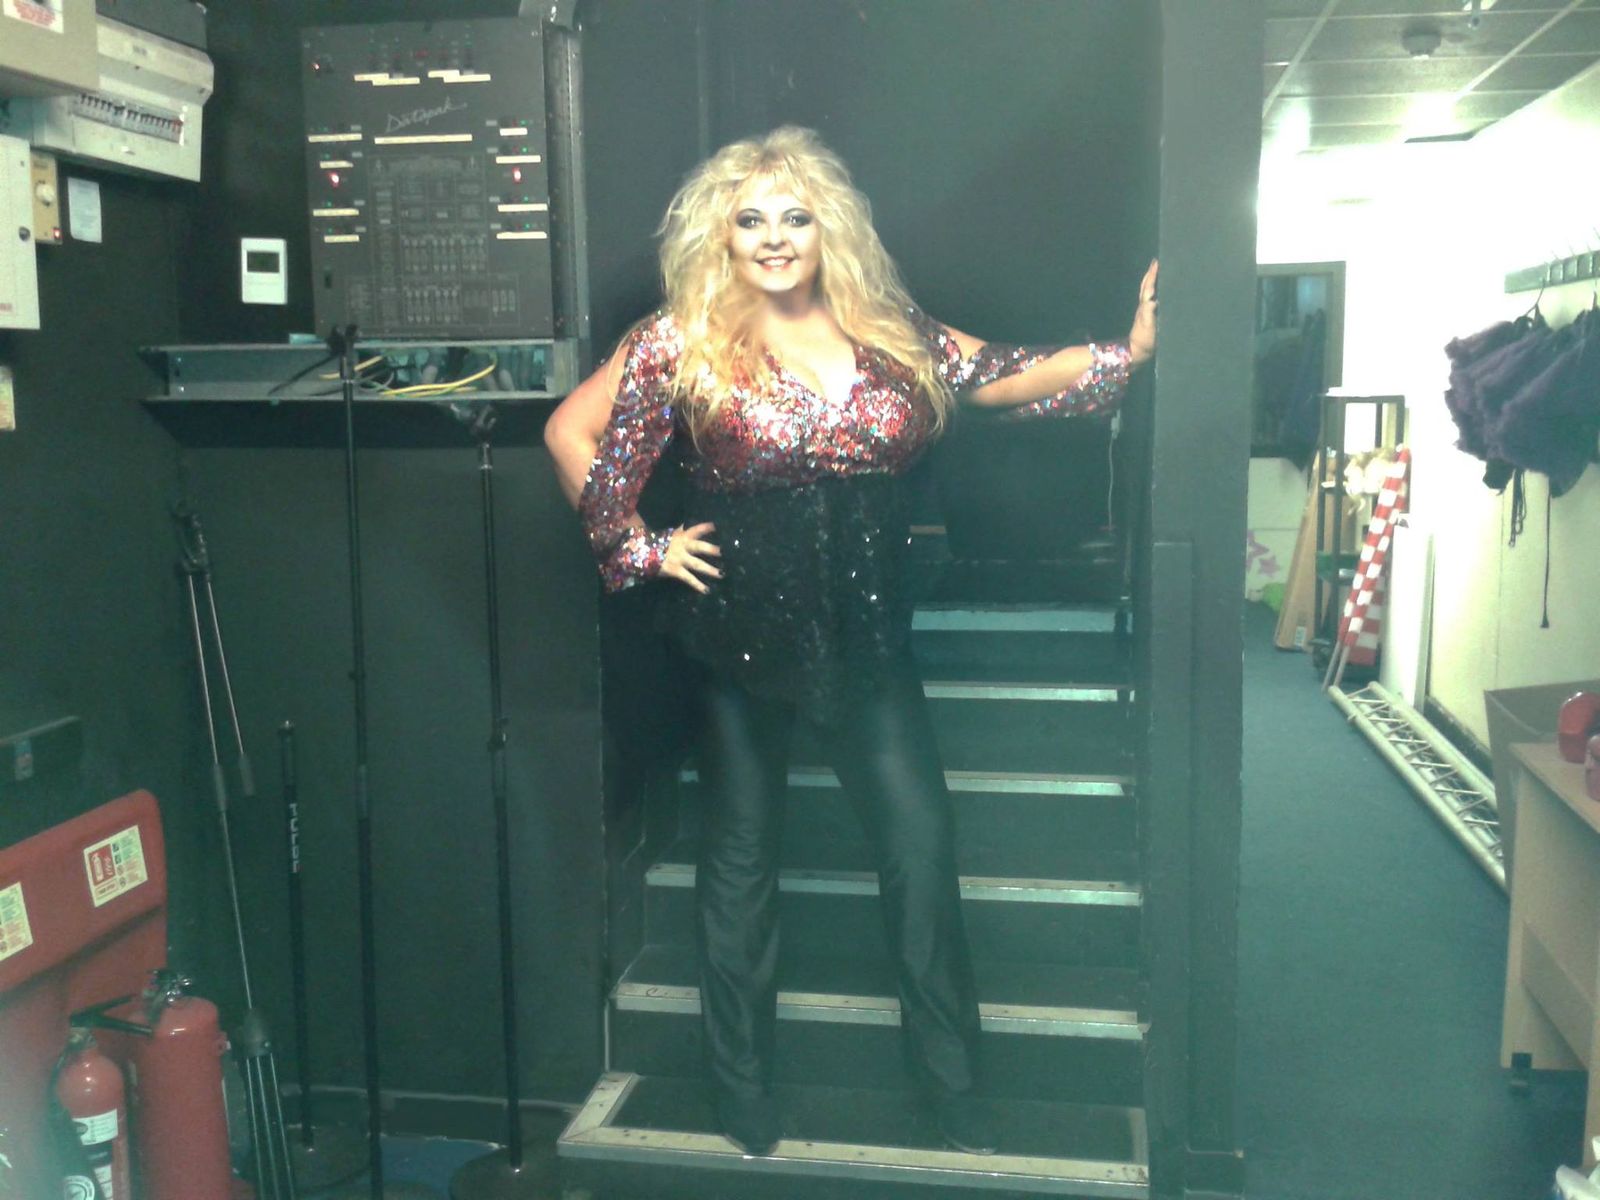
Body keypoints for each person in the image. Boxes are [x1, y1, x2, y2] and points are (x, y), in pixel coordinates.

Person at [545, 126, 1156, 1158]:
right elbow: (570, 430)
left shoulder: (889, 329)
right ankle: (742, 1094)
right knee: (742, 865)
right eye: (751, 220)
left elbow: (999, 375)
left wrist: (1126, 356)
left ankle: (950, 1088)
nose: (774, 238)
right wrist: (640, 547)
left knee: (919, 847)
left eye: (795, 217)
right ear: (722, 237)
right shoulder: (679, 339)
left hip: (870, 640)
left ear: (828, 228)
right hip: (738, 639)